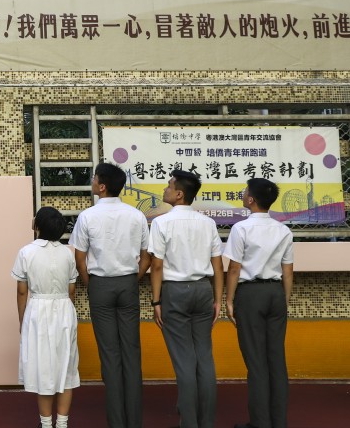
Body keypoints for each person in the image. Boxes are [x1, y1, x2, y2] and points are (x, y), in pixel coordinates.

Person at [69, 162, 150, 428]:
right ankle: (134, 420)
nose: (92, 182)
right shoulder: (136, 215)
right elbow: (147, 256)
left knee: (109, 354)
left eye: (94, 179)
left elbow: (79, 259)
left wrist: (90, 283)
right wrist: (133, 277)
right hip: (128, 283)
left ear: (102, 186)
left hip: (100, 284)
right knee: (132, 351)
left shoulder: (87, 216)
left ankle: (117, 422)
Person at [149, 169, 223, 428]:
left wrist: (156, 301)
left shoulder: (161, 223)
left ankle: (189, 423)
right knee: (204, 357)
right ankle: (206, 422)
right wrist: (218, 300)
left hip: (175, 292)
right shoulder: (208, 223)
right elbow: (218, 266)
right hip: (203, 290)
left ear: (179, 194)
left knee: (183, 361)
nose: (165, 189)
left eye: (169, 186)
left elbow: (156, 266)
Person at [224, 178, 294, 428]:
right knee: (276, 359)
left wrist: (229, 300)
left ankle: (260, 423)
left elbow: (234, 269)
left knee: (255, 362)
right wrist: (283, 299)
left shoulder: (241, 229)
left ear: (250, 199)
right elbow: (287, 270)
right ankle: (278, 422)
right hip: (276, 293)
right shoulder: (283, 230)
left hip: (250, 294)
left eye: (245, 191)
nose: (243, 194)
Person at [14, 206, 80, 428]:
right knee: (66, 369)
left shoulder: (26, 252)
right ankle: (62, 424)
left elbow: (22, 291)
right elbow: (72, 291)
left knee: (43, 368)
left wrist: (22, 319)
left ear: (37, 226)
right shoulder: (67, 253)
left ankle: (46, 424)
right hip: (64, 309)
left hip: (37, 310)